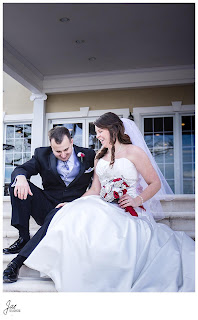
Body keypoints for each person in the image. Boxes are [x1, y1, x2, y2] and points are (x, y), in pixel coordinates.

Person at [4, 113, 195, 291]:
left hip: (126, 208)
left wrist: (137, 200)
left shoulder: (133, 152)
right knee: (68, 215)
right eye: (96, 133)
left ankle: (21, 261)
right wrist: (72, 204)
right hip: (99, 204)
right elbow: (95, 189)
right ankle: (27, 253)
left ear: (112, 130)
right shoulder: (99, 156)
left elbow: (155, 183)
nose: (97, 136)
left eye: (99, 132)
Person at [3, 126, 95, 255]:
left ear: (72, 141)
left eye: (66, 150)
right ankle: (23, 237)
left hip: (75, 209)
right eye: (58, 151)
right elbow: (22, 169)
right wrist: (21, 178)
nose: (63, 155)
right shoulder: (42, 154)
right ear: (51, 147)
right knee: (16, 184)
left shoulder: (89, 155)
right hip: (48, 207)